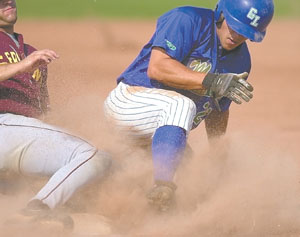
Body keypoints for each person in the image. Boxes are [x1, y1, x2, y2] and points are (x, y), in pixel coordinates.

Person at [104, 0, 274, 212]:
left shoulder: (240, 61)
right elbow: (157, 68)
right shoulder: (187, 20)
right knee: (182, 105)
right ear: (221, 13)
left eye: (245, 32)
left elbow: (218, 109)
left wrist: (217, 152)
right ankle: (163, 186)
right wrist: (211, 80)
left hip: (161, 131)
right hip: (130, 102)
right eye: (234, 26)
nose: (237, 36)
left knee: (191, 180)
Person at [0, 0, 112, 230]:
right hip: (4, 125)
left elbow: (42, 112)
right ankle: (36, 211)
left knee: (93, 168)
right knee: (91, 155)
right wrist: (23, 66)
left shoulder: (31, 52)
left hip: (19, 136)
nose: (7, 1)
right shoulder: (29, 59)